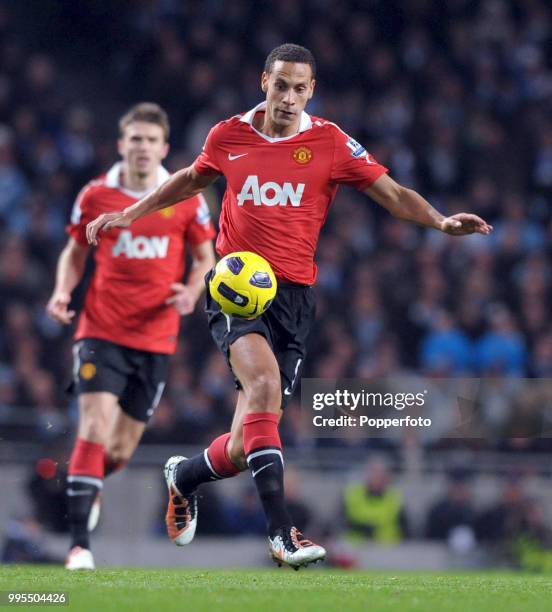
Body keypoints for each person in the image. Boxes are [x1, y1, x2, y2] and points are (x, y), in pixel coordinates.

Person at [86, 44, 493, 569]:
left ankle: (184, 476)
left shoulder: (329, 141)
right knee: (263, 387)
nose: (289, 96)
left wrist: (439, 221)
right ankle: (282, 534)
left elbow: (391, 194)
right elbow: (190, 178)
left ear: (311, 91)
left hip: (295, 298)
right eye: (281, 85)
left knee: (242, 444)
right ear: (264, 82)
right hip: (235, 283)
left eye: (300, 88)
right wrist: (131, 213)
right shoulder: (228, 134)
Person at [46, 102, 216, 570]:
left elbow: (205, 259)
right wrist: (63, 291)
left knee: (118, 451)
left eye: (150, 140)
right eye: (134, 139)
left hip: (156, 338)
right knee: (94, 426)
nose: (142, 147)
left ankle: (90, 483)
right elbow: (74, 252)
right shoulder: (96, 195)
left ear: (164, 147)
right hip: (100, 330)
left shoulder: (185, 196)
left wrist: (192, 290)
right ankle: (80, 545)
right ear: (122, 145)